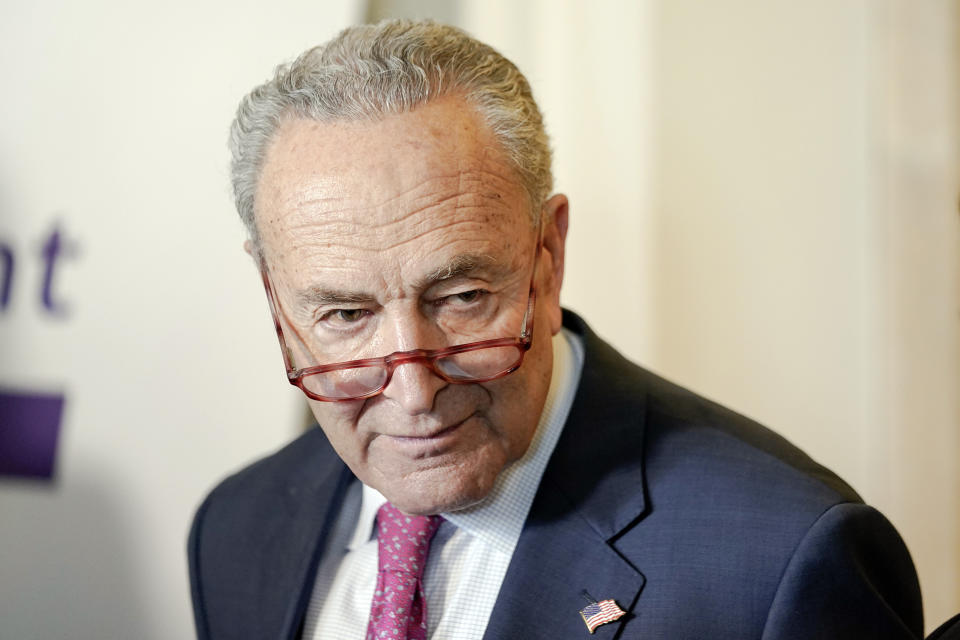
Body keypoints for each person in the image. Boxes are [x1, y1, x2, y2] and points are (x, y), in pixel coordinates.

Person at [188, 19, 923, 640]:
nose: (413, 391)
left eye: (463, 297)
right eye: (346, 316)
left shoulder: (780, 561)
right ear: (273, 297)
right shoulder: (235, 528)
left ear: (548, 254)